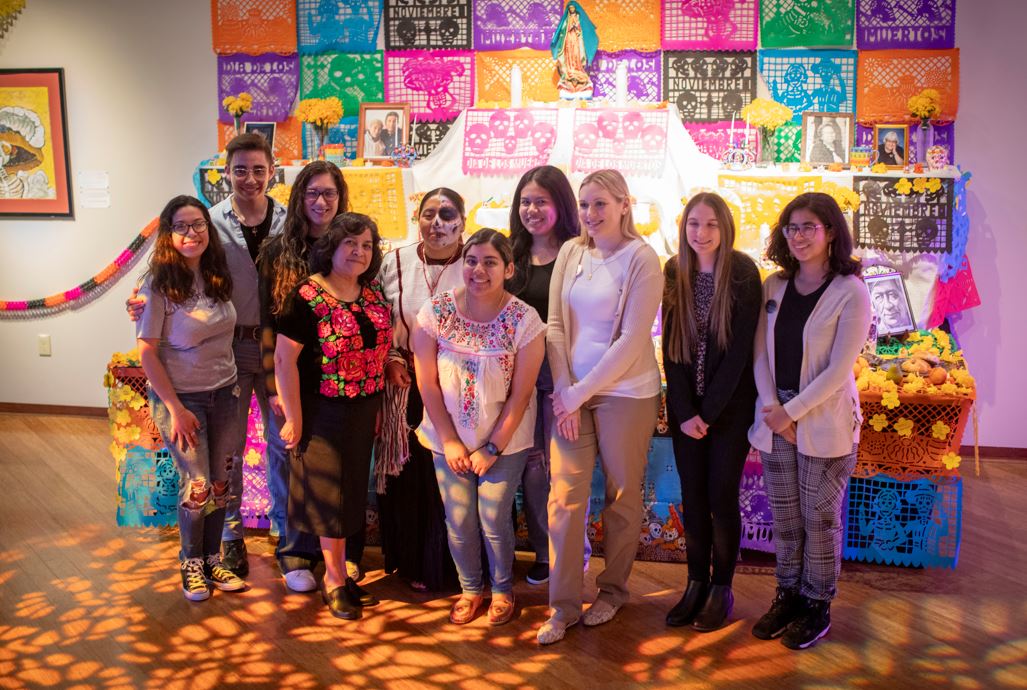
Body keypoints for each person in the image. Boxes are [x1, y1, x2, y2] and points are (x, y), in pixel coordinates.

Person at [129, 133, 286, 578]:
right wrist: (137, 301)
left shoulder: (287, 221)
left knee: (280, 444)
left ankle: (283, 533)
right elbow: (160, 275)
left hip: (274, 349)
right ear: (226, 173)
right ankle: (228, 540)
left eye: (259, 169)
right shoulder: (210, 221)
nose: (250, 178)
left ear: (272, 172)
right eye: (240, 169)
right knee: (226, 457)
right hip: (228, 348)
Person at [538, 169, 663, 645]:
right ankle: (562, 605)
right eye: (585, 204)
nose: (591, 214)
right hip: (573, 396)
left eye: (600, 204)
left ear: (624, 204)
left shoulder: (642, 258)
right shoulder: (572, 252)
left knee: (621, 496)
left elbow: (633, 340)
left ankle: (612, 591)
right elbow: (554, 326)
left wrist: (578, 392)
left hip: (626, 394)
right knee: (564, 499)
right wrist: (567, 389)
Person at [748, 192, 872, 650]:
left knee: (819, 518)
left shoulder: (850, 290)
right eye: (791, 228)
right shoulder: (774, 286)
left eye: (809, 228)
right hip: (773, 415)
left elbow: (840, 370)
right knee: (785, 517)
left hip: (825, 419)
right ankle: (788, 594)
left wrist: (791, 412)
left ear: (831, 233)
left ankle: (817, 604)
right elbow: (760, 352)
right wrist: (773, 411)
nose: (798, 237)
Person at [412, 229, 546, 625]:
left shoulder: (525, 320)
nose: (478, 270)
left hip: (505, 440)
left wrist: (492, 448)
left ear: (508, 268)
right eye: (471, 261)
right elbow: (427, 383)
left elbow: (521, 396)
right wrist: (450, 440)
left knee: (493, 517)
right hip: (447, 437)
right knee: (459, 519)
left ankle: (502, 590)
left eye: (490, 262)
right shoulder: (435, 312)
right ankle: (471, 589)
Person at [273, 213, 392, 620]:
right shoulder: (307, 296)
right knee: (329, 497)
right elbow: (284, 361)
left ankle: (341, 574)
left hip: (364, 408)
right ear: (332, 247)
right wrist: (294, 416)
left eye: (366, 246)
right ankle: (335, 580)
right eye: (350, 244)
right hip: (322, 411)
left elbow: (378, 344)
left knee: (352, 493)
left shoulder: (372, 292)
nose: (359, 252)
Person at [136, 195, 246, 601]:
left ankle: (212, 558)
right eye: (180, 226)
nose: (191, 233)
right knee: (196, 487)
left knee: (220, 484)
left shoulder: (217, 274)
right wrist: (176, 409)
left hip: (225, 392)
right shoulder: (157, 284)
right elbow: (146, 349)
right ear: (168, 233)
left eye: (198, 224)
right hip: (181, 399)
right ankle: (191, 563)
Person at [661, 193, 762, 632]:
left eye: (710, 225)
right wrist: (684, 411)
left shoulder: (741, 273)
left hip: (730, 410)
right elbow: (671, 347)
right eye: (693, 225)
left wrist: (710, 412)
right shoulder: (674, 270)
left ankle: (722, 586)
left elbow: (741, 350)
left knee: (722, 497)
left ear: (725, 228)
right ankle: (695, 582)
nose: (701, 234)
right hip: (687, 412)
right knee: (693, 499)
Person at [258, 161, 357, 593]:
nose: (321, 202)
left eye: (329, 194)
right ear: (299, 197)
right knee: (289, 456)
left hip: (340, 379)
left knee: (340, 465)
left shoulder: (354, 245)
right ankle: (295, 551)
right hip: (289, 373)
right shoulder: (280, 251)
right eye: (313, 193)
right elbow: (267, 319)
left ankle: (341, 553)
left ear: (341, 199)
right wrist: (272, 386)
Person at [375, 188, 465, 592]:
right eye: (429, 214)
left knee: (449, 475)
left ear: (463, 221)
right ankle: (410, 561)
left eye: (448, 215)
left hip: (462, 387)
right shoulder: (394, 261)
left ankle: (454, 567)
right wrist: (392, 359)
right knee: (410, 473)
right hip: (406, 382)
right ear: (418, 218)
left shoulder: (476, 261)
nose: (438, 223)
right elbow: (378, 318)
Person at [506, 165, 581, 586]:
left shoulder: (577, 252)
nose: (531, 210)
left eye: (541, 201)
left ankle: (560, 551)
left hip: (560, 376)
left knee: (555, 469)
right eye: (525, 202)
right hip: (515, 378)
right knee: (525, 466)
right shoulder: (510, 253)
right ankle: (533, 548)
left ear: (560, 205)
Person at [551, 1, 598, 97]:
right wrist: (568, 28)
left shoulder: (578, 17)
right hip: (568, 40)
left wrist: (576, 27)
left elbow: (582, 29)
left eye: (573, 8)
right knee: (569, 56)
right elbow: (562, 29)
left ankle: (578, 70)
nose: (572, 10)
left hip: (577, 41)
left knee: (577, 55)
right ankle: (569, 71)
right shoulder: (566, 19)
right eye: (570, 8)